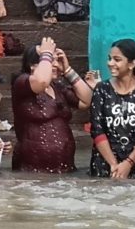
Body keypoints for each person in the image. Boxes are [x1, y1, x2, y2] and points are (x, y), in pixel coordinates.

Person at [12, 38, 93, 174]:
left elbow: (86, 100)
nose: (54, 64)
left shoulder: (58, 88)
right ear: (32, 65)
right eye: (50, 60)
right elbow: (41, 81)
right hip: (32, 172)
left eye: (56, 60)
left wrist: (67, 70)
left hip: (65, 169)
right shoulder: (21, 83)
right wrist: (46, 54)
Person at [89, 39, 135, 178]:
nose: (110, 63)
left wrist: (128, 163)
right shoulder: (101, 89)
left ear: (132, 64)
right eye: (109, 59)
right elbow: (97, 130)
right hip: (105, 166)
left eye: (117, 59)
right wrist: (114, 165)